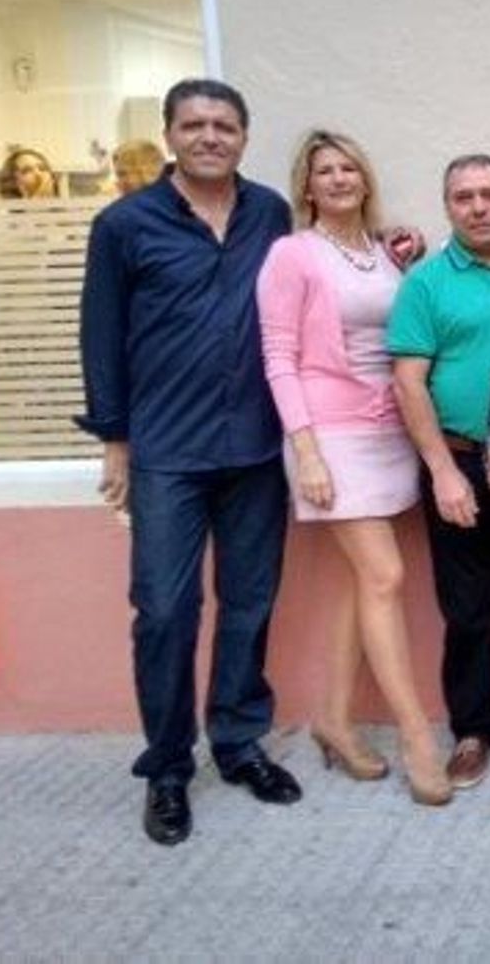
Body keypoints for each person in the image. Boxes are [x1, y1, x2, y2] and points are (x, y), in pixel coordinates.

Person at [77, 78, 302, 846]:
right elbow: (101, 340)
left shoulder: (270, 212)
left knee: (249, 601)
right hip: (168, 451)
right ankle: (169, 767)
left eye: (225, 125)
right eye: (195, 124)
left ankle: (237, 743)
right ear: (171, 135)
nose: (211, 136)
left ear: (244, 135)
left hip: (255, 449)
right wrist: (115, 440)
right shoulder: (123, 225)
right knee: (166, 613)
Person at [257, 129, 451, 806]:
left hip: (386, 430)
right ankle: (416, 736)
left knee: (356, 586)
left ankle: (334, 720)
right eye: (324, 171)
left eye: (349, 168)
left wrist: (406, 256)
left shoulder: (380, 253)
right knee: (384, 574)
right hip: (330, 435)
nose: (339, 179)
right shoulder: (292, 255)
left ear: (364, 179)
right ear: (306, 187)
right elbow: (278, 356)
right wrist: (305, 449)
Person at [388, 154, 490, 791]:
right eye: (465, 197)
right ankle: (473, 728)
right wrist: (442, 472)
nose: (479, 206)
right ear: (448, 206)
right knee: (467, 605)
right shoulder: (425, 284)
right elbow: (408, 384)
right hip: (458, 457)